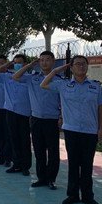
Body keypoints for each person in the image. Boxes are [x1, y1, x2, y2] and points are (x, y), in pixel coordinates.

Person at [41, 55, 102, 204]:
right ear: (71, 68)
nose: (81, 66)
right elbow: (43, 84)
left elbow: (100, 108)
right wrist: (56, 70)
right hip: (71, 130)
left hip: (90, 131)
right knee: (73, 164)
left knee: (87, 165)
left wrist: (101, 128)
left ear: (87, 67)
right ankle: (73, 195)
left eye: (83, 64)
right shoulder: (63, 85)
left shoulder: (95, 86)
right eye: (77, 64)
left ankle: (88, 196)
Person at [12, 51, 61, 190]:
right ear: (38, 62)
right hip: (36, 119)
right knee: (39, 151)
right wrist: (28, 66)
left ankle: (51, 179)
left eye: (47, 60)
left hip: (52, 119)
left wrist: (61, 117)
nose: (44, 63)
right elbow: (15, 77)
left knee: (53, 152)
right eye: (42, 60)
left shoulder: (60, 80)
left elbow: (63, 101)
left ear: (53, 61)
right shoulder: (32, 78)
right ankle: (41, 178)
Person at [0, 54, 32, 175]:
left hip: (24, 113)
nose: (17, 65)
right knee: (14, 139)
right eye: (15, 62)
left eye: (20, 62)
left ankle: (25, 166)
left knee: (24, 141)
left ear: (25, 64)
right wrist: (5, 65)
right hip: (10, 112)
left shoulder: (30, 78)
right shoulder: (7, 76)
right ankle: (16, 164)